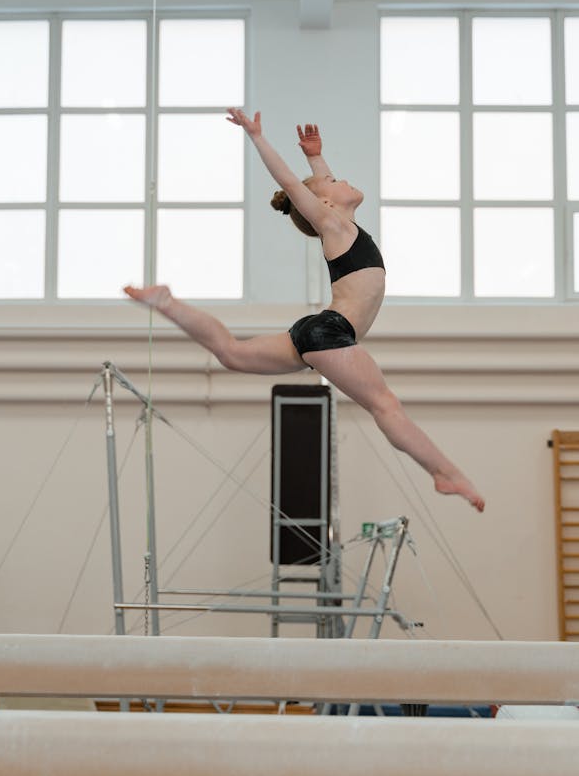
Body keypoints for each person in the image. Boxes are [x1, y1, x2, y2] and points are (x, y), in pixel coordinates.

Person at [125, 110, 484, 511]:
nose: (340, 178)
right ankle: (444, 473)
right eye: (332, 180)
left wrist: (316, 158)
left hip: (317, 330)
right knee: (385, 405)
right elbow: (292, 184)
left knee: (231, 353)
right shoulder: (333, 224)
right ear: (323, 202)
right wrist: (257, 137)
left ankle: (168, 304)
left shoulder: (342, 225)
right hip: (331, 332)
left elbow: (321, 189)